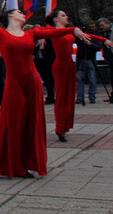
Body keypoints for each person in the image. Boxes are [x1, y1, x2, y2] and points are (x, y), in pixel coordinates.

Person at [0, 9, 90, 179]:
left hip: (33, 82)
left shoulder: (31, 34)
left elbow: (55, 32)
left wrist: (73, 29)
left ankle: (29, 163)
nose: (23, 14)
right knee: (15, 122)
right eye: (19, 12)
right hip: (15, 84)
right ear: (10, 16)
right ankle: (15, 164)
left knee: (33, 122)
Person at [45, 10, 109, 142]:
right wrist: (74, 29)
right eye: (63, 15)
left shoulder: (69, 31)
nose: (66, 16)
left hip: (69, 65)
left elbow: (87, 35)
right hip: (61, 66)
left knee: (69, 97)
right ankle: (59, 128)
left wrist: (105, 40)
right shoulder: (53, 31)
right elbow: (40, 31)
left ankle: (64, 126)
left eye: (66, 15)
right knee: (62, 98)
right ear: (56, 19)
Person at [75, 22, 103, 106]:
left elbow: (98, 46)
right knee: (79, 79)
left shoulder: (97, 35)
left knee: (92, 78)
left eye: (93, 26)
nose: (91, 27)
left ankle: (92, 96)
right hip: (81, 58)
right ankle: (80, 97)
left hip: (90, 58)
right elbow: (77, 42)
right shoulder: (83, 35)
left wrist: (90, 43)